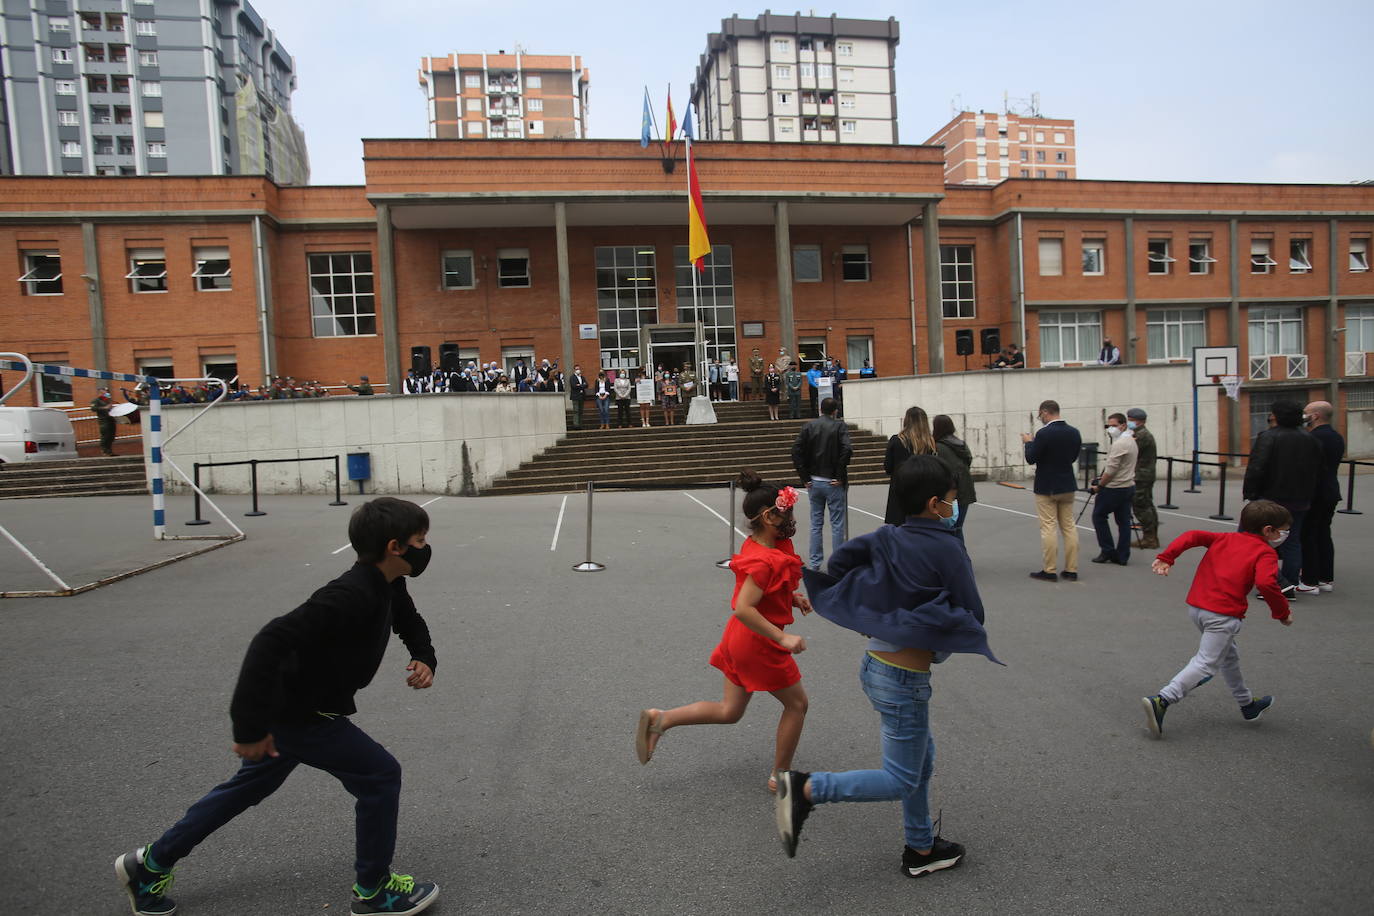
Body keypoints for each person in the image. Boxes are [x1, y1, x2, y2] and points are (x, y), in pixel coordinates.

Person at [113, 498, 440, 916]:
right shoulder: (349, 593)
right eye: (421, 539)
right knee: (379, 775)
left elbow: (409, 620)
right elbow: (271, 639)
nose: (426, 547)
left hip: (298, 711)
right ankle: (374, 890)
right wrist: (247, 727)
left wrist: (424, 657)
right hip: (303, 715)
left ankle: (150, 864)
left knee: (247, 788)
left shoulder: (389, 585)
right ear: (395, 547)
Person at [775, 455, 998, 874]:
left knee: (921, 760)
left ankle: (920, 847)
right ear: (935, 504)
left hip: (876, 666)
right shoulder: (947, 546)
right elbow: (973, 611)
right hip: (905, 679)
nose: (954, 507)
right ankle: (805, 788)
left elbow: (840, 566)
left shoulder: (887, 536)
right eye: (951, 499)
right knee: (900, 777)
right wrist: (927, 618)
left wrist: (876, 609)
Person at [634, 472, 811, 792]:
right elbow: (744, 607)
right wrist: (783, 637)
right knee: (797, 705)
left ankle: (661, 719)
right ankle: (780, 775)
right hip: (759, 642)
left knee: (729, 711)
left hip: (741, 640)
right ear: (769, 516)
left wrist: (792, 598)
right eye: (786, 511)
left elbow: (765, 592)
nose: (791, 518)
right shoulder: (764, 559)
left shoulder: (766, 544)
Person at [1141, 499, 1293, 739]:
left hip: (1198, 608)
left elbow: (1191, 536)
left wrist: (1167, 557)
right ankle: (1163, 699)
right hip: (1223, 615)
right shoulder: (1265, 552)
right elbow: (1266, 583)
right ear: (1268, 531)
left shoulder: (1224, 538)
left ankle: (1246, 703)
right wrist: (1282, 613)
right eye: (1283, 530)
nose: (1286, 534)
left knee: (1229, 656)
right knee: (1206, 664)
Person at [1242, 399, 1321, 593]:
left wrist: (1250, 492)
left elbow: (1257, 467)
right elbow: (1318, 470)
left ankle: (1268, 580)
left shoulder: (1268, 437)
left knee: (1249, 539)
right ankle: (1289, 583)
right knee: (1292, 541)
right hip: (1299, 499)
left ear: (1276, 416)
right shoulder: (1310, 439)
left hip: (1270, 498)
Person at [1022, 400, 1082, 582]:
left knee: (1048, 527)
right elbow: (1073, 457)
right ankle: (1071, 569)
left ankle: (1050, 570)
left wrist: (1028, 443)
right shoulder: (1074, 432)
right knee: (1069, 526)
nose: (1040, 418)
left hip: (1047, 485)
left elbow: (1031, 458)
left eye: (1040, 415)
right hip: (1067, 483)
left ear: (1045, 413)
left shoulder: (1043, 434)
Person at [792, 397, 853, 570]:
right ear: (835, 411)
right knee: (837, 524)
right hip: (833, 480)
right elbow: (847, 449)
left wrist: (804, 477)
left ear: (820, 410)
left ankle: (815, 562)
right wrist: (840, 474)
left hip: (814, 480)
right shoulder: (839, 426)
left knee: (816, 523)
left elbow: (796, 450)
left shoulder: (809, 426)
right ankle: (838, 563)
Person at [1299, 400, 1344, 593]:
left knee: (1308, 535)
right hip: (1330, 491)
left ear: (1315, 415)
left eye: (1306, 412)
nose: (1304, 416)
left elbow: (1308, 468)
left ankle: (1309, 581)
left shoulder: (1314, 438)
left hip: (1315, 493)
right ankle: (1325, 578)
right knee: (1323, 534)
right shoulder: (1335, 436)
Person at [1090, 412, 1138, 566]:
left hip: (1114, 488)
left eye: (1114, 426)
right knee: (1123, 521)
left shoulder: (1120, 444)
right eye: (1108, 426)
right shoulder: (1130, 440)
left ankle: (1107, 550)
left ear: (1123, 425)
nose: (1111, 429)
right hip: (1128, 485)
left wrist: (1099, 486)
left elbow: (1111, 470)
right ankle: (1123, 555)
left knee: (1099, 516)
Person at [882, 406, 938, 526]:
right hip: (923, 491)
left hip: (900, 491)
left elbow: (888, 467)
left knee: (899, 531)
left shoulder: (897, 440)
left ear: (906, 421)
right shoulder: (930, 443)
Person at [933, 414, 977, 540]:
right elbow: (969, 460)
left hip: (949, 492)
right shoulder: (961, 444)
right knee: (957, 527)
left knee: (948, 528)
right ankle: (961, 556)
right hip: (966, 489)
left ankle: (953, 556)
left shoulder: (938, 447)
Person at [1126, 408, 1159, 549]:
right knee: (1147, 504)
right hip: (1145, 474)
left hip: (1141, 475)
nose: (1129, 422)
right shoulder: (1140, 434)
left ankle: (1149, 537)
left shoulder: (1141, 435)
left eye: (1130, 419)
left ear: (1138, 421)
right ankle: (1151, 535)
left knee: (1141, 506)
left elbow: (1130, 451)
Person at [91, 386, 116, 456]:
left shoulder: (107, 400)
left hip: (111, 419)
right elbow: (93, 408)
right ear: (100, 391)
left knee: (111, 436)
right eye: (105, 391)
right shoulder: (96, 400)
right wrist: (104, 407)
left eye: (107, 391)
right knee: (105, 435)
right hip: (104, 420)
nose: (106, 392)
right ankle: (104, 451)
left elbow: (109, 408)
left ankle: (110, 451)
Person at [569, 365, 588, 429]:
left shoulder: (582, 377)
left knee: (581, 411)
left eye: (579, 369)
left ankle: (580, 424)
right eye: (576, 369)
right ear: (574, 370)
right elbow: (574, 386)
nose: (578, 370)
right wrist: (582, 385)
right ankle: (576, 425)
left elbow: (587, 385)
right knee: (576, 411)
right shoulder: (572, 377)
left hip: (582, 396)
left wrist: (579, 385)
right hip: (575, 396)